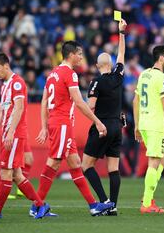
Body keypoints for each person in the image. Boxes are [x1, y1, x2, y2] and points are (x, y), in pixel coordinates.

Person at [35, 40, 113, 217]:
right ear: (71, 55)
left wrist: (44, 126)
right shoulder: (70, 74)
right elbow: (79, 102)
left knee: (75, 164)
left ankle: (93, 205)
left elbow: (44, 101)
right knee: (54, 162)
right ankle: (36, 205)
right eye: (79, 54)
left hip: (59, 123)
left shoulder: (53, 73)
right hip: (62, 123)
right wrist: (98, 121)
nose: (81, 57)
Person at [0, 53, 49, 219]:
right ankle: (40, 205)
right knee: (16, 174)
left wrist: (10, 132)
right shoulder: (5, 86)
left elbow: (20, 108)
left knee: (5, 172)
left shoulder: (17, 83)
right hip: (8, 133)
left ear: (6, 66)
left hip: (13, 135)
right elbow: (1, 112)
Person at [81, 19, 127, 216]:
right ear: (110, 64)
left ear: (97, 65)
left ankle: (104, 201)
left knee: (86, 166)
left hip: (103, 127)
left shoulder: (96, 82)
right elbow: (122, 55)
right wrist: (122, 33)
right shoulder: (118, 76)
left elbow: (91, 105)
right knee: (113, 168)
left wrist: (95, 121)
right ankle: (113, 206)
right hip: (118, 126)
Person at [133, 45, 164, 214]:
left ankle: (148, 194)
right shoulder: (162, 77)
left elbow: (135, 100)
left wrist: (137, 125)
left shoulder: (144, 74)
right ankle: (147, 203)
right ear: (161, 58)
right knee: (154, 161)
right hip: (154, 125)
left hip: (145, 123)